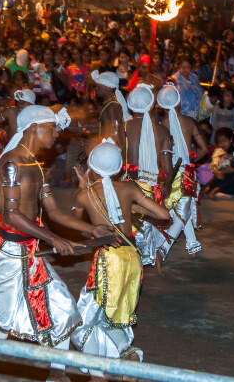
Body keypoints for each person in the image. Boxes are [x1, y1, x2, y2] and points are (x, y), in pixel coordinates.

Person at [0, 106, 116, 382]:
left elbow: (54, 212)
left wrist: (92, 228)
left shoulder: (36, 166)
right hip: (10, 254)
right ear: (33, 129)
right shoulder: (12, 164)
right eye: (50, 127)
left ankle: (59, 373)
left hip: (29, 252)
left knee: (64, 309)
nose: (56, 133)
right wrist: (53, 238)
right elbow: (11, 215)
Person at [70, 139, 170, 380]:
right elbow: (163, 215)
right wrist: (133, 209)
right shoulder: (129, 188)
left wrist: (82, 186)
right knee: (111, 319)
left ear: (91, 166)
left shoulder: (84, 195)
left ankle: (96, 375)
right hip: (132, 258)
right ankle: (129, 354)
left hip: (109, 259)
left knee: (81, 320)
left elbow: (75, 223)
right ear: (118, 168)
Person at [155, 85, 210, 260]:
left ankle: (190, 245)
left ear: (162, 106)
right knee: (183, 211)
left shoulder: (161, 126)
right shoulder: (190, 122)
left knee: (181, 210)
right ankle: (166, 247)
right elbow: (204, 148)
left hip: (168, 172)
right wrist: (190, 162)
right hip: (186, 172)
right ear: (179, 102)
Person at [121, 85, 172, 268]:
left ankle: (134, 261)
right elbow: (167, 167)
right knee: (147, 222)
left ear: (130, 105)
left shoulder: (123, 128)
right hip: (150, 184)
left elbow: (119, 158)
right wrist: (167, 185)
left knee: (128, 222)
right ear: (151, 106)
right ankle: (146, 258)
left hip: (127, 183)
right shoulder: (163, 131)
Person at [91, 70, 131, 144]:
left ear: (108, 88)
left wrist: (103, 144)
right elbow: (108, 126)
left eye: (99, 86)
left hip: (110, 146)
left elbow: (116, 132)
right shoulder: (108, 103)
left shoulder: (112, 106)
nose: (96, 88)